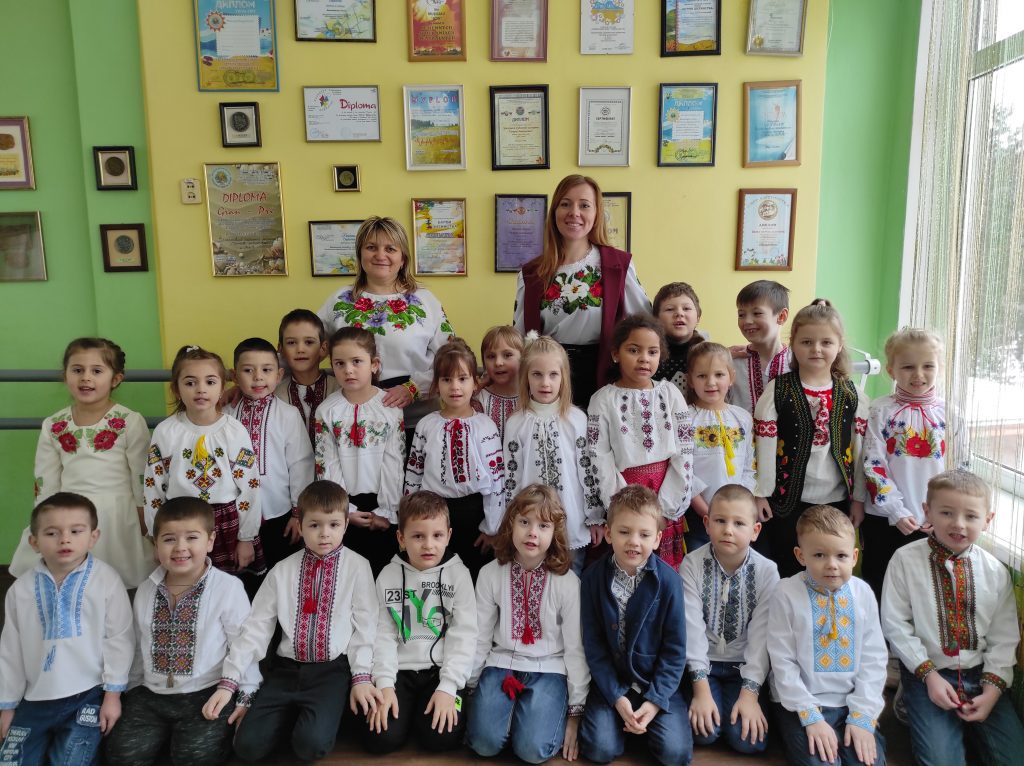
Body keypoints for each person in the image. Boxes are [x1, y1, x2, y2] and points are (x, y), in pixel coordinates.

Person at [203, 480, 380, 762]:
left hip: (331, 671)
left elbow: (366, 627)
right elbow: (256, 629)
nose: (324, 533)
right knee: (247, 748)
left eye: (334, 525)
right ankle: (286, 718)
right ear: (300, 525)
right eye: (314, 525)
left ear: (346, 525)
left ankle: (309, 720)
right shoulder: (282, 570)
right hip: (285, 671)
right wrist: (230, 682)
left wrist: (361, 677)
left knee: (311, 746)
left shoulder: (358, 567)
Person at [881, 470, 1024, 765]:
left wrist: (992, 691)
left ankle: (963, 721)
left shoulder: (995, 572)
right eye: (946, 512)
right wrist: (929, 676)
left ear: (988, 520)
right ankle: (912, 701)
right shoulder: (904, 560)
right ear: (927, 511)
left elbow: (1004, 635)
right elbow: (895, 625)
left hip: (982, 677)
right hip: (927, 675)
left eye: (971, 516)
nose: (958, 524)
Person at [105, 498, 260, 766]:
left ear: (210, 541)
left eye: (192, 537)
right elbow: (138, 646)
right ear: (156, 545)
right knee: (122, 755)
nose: (180, 547)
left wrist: (245, 696)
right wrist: (127, 694)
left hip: (207, 692)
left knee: (194, 757)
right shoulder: (146, 590)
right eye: (168, 539)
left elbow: (244, 645)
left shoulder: (228, 588)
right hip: (151, 695)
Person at [0, 492, 134, 765]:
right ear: (34, 542)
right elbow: (10, 651)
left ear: (93, 537)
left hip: (88, 697)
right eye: (52, 533)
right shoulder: (20, 590)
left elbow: (119, 639)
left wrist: (113, 696)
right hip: (33, 700)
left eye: (75, 531)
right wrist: (7, 705)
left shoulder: (106, 580)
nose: (64, 539)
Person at [9, 337, 153, 587]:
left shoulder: (129, 421)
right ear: (65, 375)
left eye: (96, 371)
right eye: (77, 370)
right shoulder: (54, 424)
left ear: (115, 379)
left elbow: (141, 474)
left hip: (117, 516)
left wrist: (144, 516)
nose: (86, 378)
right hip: (69, 513)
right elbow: (45, 479)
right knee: (66, 578)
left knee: (113, 582)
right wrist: (44, 518)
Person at [466, 485, 589, 764]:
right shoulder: (490, 574)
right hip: (500, 665)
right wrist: (471, 689)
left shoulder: (568, 582)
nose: (532, 533)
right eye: (524, 522)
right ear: (511, 524)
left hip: (549, 669)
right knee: (483, 743)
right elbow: (479, 637)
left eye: (543, 526)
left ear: (555, 532)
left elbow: (575, 649)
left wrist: (575, 713)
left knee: (533, 751)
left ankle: (527, 725)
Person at [754, 301, 869, 577]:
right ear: (793, 344)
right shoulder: (779, 390)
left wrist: (858, 499)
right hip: (787, 502)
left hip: (837, 501)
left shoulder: (851, 394)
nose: (816, 349)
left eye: (826, 342)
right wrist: (761, 493)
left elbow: (860, 451)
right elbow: (764, 447)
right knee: (787, 566)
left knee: (829, 568)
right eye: (807, 342)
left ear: (839, 345)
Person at [514, 174, 650, 407]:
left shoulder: (618, 265)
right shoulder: (532, 273)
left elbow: (646, 324)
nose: (574, 212)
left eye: (584, 205)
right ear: (554, 212)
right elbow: (519, 338)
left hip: (606, 377)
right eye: (565, 204)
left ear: (596, 214)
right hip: (549, 380)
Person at [579, 485, 691, 766]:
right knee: (599, 749)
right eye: (624, 532)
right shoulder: (592, 579)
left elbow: (675, 651)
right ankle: (624, 722)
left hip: (655, 684)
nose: (634, 542)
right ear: (608, 533)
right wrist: (617, 697)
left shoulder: (670, 582)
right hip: (612, 684)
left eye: (644, 534)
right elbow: (594, 647)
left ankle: (642, 722)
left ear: (657, 538)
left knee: (675, 754)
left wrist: (655, 701)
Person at [768, 504, 887, 766]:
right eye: (819, 555)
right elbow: (782, 662)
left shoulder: (863, 593)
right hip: (800, 704)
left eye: (841, 556)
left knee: (868, 762)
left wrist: (862, 715)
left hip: (851, 703)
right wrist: (811, 716)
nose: (832, 565)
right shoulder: (785, 593)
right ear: (801, 555)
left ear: (854, 557)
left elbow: (874, 658)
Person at [362, 491, 477, 754]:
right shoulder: (388, 575)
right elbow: (382, 634)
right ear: (401, 538)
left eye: (437, 535)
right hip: (399, 672)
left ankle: (422, 715)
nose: (428, 545)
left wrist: (449, 687)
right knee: (380, 738)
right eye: (417, 536)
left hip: (439, 672)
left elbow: (464, 635)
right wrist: (384, 684)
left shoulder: (459, 575)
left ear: (448, 535)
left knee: (441, 738)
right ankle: (407, 716)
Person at [317, 216, 455, 434]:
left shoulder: (425, 301)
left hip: (417, 422)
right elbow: (309, 347)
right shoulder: (339, 301)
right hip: (355, 423)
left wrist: (413, 389)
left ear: (403, 258)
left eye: (390, 248)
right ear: (360, 254)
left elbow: (452, 358)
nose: (380, 255)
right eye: (371, 247)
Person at [861, 328, 965, 599]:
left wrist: (942, 513)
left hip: (935, 522)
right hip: (886, 520)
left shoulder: (950, 414)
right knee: (881, 586)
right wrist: (896, 510)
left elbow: (959, 469)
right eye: (908, 367)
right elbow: (873, 464)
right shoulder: (880, 410)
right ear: (891, 371)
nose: (918, 375)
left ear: (940, 368)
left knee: (924, 592)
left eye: (928, 366)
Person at [145, 345, 264, 577]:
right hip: (179, 522)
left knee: (226, 585)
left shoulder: (234, 431)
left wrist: (246, 537)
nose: (201, 389)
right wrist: (155, 535)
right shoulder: (166, 431)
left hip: (225, 524)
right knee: (185, 582)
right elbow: (153, 486)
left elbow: (250, 487)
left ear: (222, 388)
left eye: (210, 382)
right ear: (176, 389)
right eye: (190, 383)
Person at [588, 314, 695, 568]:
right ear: (616, 354)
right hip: (623, 492)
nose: (644, 358)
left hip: (665, 491)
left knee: (662, 570)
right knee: (629, 561)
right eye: (634, 350)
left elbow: (684, 449)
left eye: (652, 352)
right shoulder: (603, 399)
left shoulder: (670, 394)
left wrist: (666, 505)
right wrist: (620, 506)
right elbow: (599, 457)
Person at [680, 484, 778, 755]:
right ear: (707, 524)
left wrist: (750, 695)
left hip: (743, 668)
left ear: (755, 530)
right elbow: (691, 629)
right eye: (720, 521)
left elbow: (762, 637)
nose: (728, 530)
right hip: (704, 666)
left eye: (739, 523)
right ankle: (712, 705)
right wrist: (701, 690)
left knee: (749, 741)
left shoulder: (767, 572)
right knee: (705, 733)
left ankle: (736, 707)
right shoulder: (691, 564)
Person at [405, 339, 505, 580]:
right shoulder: (426, 425)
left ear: (475, 382)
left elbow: (498, 479)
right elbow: (413, 474)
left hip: (475, 516)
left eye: (462, 378)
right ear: (436, 384)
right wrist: (409, 519)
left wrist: (492, 527)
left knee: (473, 575)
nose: (455, 387)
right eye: (446, 379)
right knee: (436, 576)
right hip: (432, 515)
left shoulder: (485, 425)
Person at [503, 335, 603, 575]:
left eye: (553, 375)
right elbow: (510, 478)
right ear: (526, 377)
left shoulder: (576, 419)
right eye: (537, 374)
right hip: (530, 528)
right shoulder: (516, 423)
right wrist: (509, 522)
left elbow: (588, 472)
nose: (545, 383)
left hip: (572, 522)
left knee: (571, 580)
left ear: (563, 377)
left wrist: (595, 517)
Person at [314, 327, 405, 576]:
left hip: (382, 508)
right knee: (347, 576)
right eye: (340, 363)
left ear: (374, 364)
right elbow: (326, 464)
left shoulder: (390, 408)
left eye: (356, 361)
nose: (348, 370)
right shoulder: (326, 411)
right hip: (343, 510)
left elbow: (394, 463)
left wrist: (387, 511)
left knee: (382, 574)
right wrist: (345, 511)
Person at [224, 337, 313, 582]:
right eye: (248, 370)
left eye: (266, 370)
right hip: (233, 514)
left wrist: (298, 514)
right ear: (234, 375)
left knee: (279, 576)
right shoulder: (225, 414)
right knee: (240, 578)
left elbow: (301, 465)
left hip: (278, 513)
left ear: (279, 374)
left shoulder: (288, 415)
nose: (258, 378)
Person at [686, 342, 756, 550]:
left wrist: (742, 504)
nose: (711, 382)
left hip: (738, 514)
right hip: (699, 514)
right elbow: (683, 470)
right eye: (702, 376)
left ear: (731, 377)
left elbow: (749, 465)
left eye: (719, 375)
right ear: (690, 380)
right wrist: (706, 511)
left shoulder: (742, 417)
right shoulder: (685, 418)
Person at [275, 309, 337, 447]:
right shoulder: (275, 395)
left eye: (309, 342)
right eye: (291, 343)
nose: (300, 349)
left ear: (323, 348)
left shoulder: (339, 389)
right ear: (281, 349)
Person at [731, 280, 792, 414]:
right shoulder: (732, 362)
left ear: (781, 316)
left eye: (757, 313)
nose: (747, 321)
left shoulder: (796, 363)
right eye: (741, 315)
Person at [652, 282, 706, 399]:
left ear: (698, 318)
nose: (679, 313)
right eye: (670, 309)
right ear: (656, 319)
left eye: (686, 308)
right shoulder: (649, 354)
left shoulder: (708, 355)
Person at [476, 325, 523, 443]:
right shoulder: (480, 400)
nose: (498, 362)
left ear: (523, 358)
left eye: (507, 355)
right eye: (491, 356)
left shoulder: (532, 397)